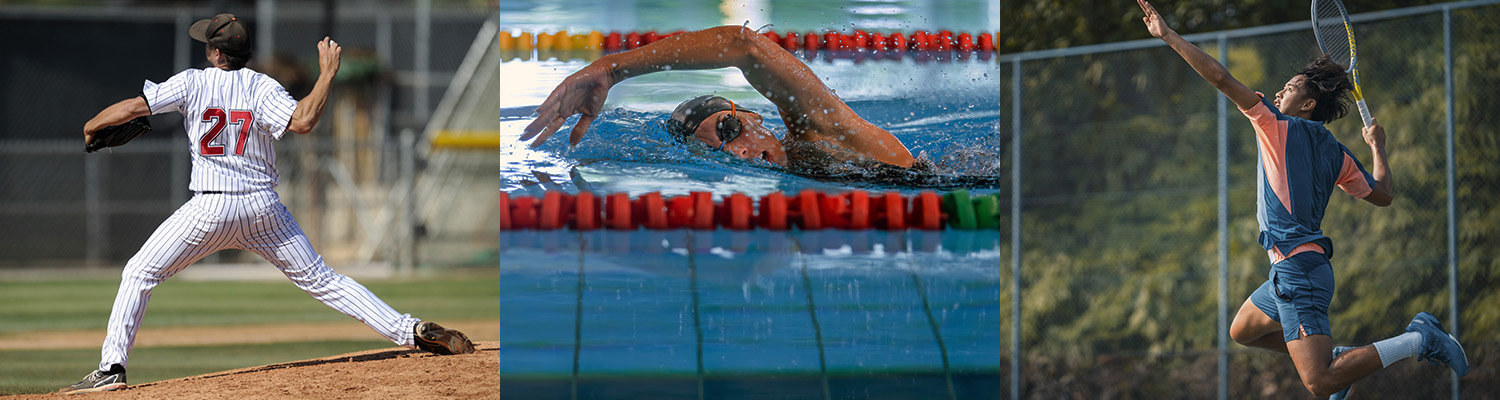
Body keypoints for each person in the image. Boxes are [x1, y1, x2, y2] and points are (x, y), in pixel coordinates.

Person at [63, 13, 474, 394]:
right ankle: (411, 329)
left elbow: (136, 106)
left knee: (139, 273)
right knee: (324, 280)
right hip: (263, 210)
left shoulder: (191, 82)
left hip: (210, 209)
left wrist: (91, 125)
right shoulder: (262, 87)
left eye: (209, 43)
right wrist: (327, 74)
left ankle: (111, 369)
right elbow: (304, 121)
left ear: (216, 53)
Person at [1134, 1, 1466, 398]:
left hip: (1299, 272)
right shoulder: (1336, 151)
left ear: (1308, 105)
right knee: (1242, 331)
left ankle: (1419, 339)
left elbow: (1221, 78)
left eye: (1289, 88)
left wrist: (1168, 36)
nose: (1279, 91)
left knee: (1320, 382)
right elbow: (1383, 195)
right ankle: (1338, 357)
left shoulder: (1273, 123)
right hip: (1291, 270)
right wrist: (1378, 147)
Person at [520, 25, 919, 171]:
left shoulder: (818, 128)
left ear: (753, 116)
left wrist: (613, 68)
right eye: (720, 150)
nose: (739, 151)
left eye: (729, 128)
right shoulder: (797, 168)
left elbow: (744, 45)